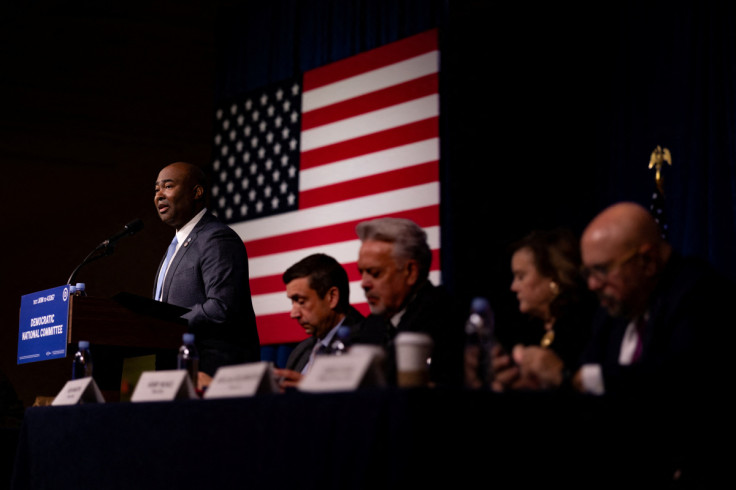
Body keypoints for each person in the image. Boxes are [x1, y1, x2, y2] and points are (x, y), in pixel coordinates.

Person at [153, 161, 260, 387]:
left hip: (212, 373)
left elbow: (222, 307)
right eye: (156, 189)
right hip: (175, 369)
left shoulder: (216, 238)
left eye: (168, 186)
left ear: (197, 192)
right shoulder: (175, 247)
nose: (159, 195)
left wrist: (166, 322)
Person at [353, 217, 463, 387]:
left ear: (410, 272)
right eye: (362, 273)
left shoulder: (446, 317)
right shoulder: (370, 327)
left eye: (374, 273)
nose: (364, 283)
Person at [492, 228, 596, 392]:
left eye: (520, 276)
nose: (513, 287)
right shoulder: (525, 330)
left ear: (553, 278)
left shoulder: (588, 326)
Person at [273, 254, 364, 390]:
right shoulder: (299, 352)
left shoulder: (366, 342)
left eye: (301, 301)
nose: (293, 314)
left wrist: (314, 388)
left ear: (332, 297)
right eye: (292, 302)